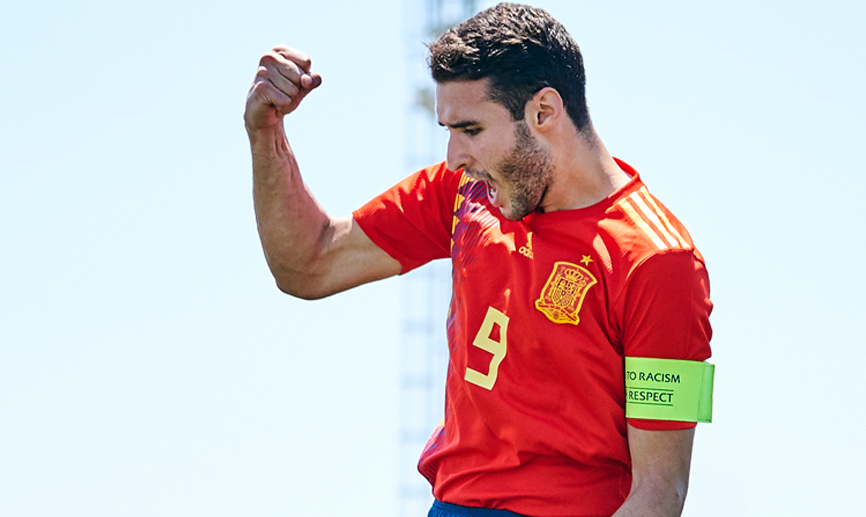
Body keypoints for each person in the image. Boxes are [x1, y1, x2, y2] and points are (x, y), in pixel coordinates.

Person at [244, 3, 713, 517]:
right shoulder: (465, 193)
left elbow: (659, 492)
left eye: (470, 130)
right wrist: (266, 135)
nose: (454, 157)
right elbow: (308, 265)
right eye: (448, 130)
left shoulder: (660, 263)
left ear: (544, 112)